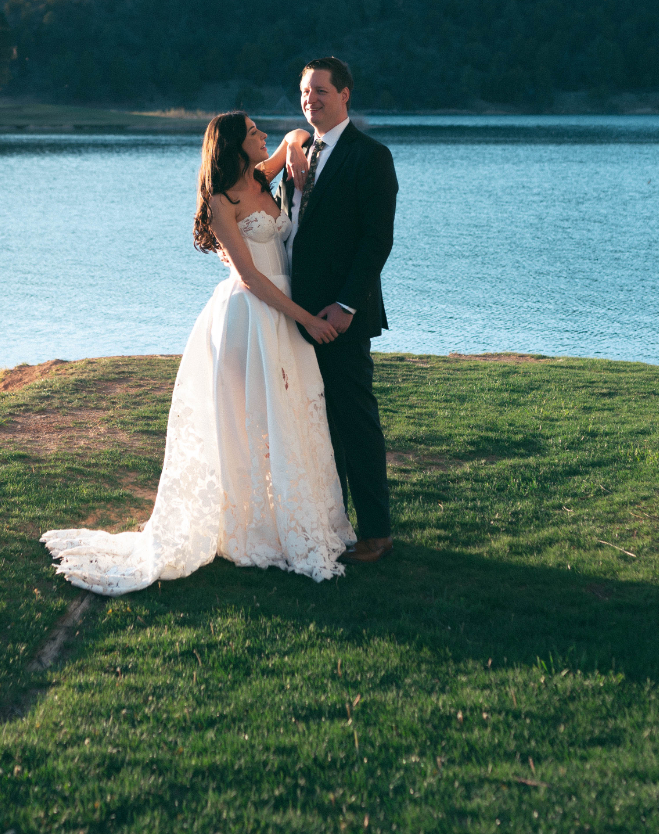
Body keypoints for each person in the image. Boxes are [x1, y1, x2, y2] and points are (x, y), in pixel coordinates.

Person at [41, 113, 354, 594]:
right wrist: (307, 319)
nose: (263, 136)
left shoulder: (261, 177)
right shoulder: (220, 201)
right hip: (249, 316)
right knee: (247, 422)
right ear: (233, 145)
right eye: (254, 133)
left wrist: (292, 145)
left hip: (283, 314)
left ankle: (289, 519)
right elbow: (250, 276)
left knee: (290, 415)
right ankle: (247, 527)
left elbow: (296, 133)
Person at [281, 57, 399, 564]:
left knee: (355, 420)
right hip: (293, 314)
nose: (311, 100)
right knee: (317, 424)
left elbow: (376, 241)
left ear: (345, 94)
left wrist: (347, 305)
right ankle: (335, 522)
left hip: (339, 317)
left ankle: (377, 532)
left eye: (322, 91)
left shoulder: (371, 156)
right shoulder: (300, 151)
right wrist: (290, 145)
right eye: (306, 92)